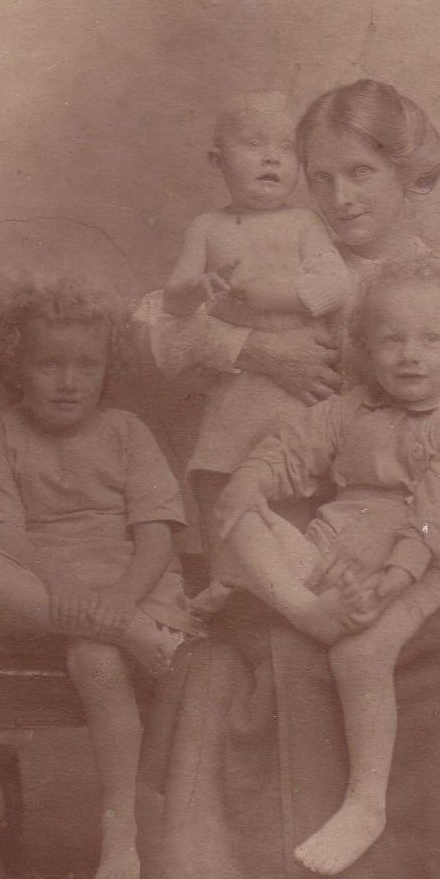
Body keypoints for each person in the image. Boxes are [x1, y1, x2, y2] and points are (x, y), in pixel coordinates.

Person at [135, 80, 440, 879]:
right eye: (317, 176)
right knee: (266, 660)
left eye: (359, 173)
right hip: (287, 546)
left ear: (407, 174)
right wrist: (252, 349)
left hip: (412, 539)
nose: (338, 197)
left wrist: (432, 497)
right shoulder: (274, 251)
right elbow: (154, 327)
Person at [211, 256, 440, 878]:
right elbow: (289, 450)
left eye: (430, 339)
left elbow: (437, 517)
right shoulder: (350, 409)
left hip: (417, 568)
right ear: (365, 346)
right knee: (242, 517)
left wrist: (388, 581)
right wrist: (249, 481)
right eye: (391, 338)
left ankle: (367, 803)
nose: (409, 354)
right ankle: (303, 610)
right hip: (328, 549)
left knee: (358, 654)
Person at [0, 278, 200, 879]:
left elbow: (155, 538)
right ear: (17, 368)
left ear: (106, 370)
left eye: (85, 366)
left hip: (126, 583)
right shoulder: (6, 434)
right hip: (41, 588)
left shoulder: (125, 431)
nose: (68, 381)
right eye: (49, 365)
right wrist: (65, 586)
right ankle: (118, 631)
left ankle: (118, 824)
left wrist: (119, 600)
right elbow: (2, 533)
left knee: (95, 657)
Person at [162, 89, 348, 570]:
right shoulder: (207, 227)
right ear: (217, 160)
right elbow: (173, 301)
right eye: (253, 144)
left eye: (286, 148)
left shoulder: (306, 222)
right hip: (240, 386)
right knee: (218, 476)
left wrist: (276, 297)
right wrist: (196, 287)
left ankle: (291, 585)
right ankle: (223, 583)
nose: (271, 157)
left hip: (298, 393)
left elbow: (334, 283)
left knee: (295, 488)